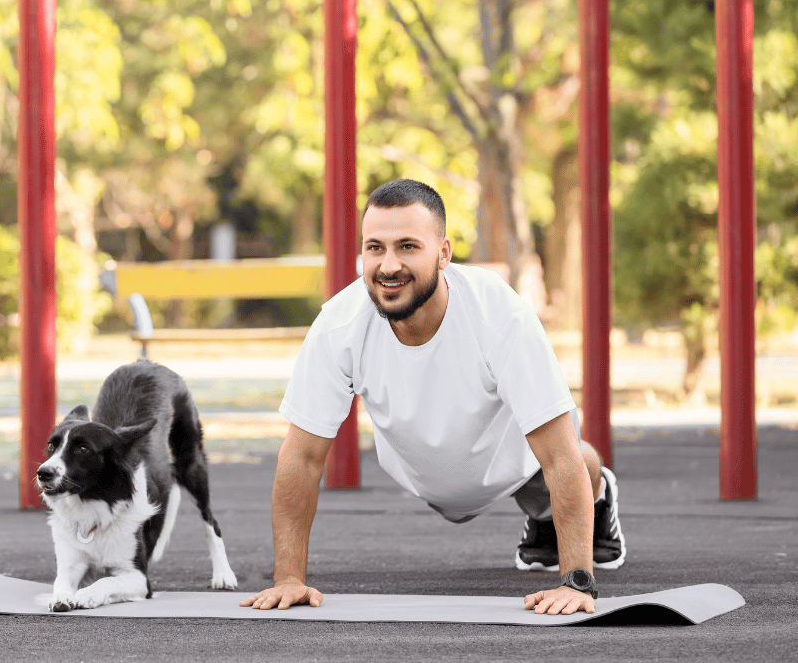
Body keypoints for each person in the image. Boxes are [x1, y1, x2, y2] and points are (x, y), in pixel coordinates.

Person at [240, 179, 625, 617]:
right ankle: (546, 519)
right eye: (375, 248)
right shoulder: (339, 325)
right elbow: (303, 457)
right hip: (419, 470)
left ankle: (568, 511)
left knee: (578, 460)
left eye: (407, 247)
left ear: (443, 253)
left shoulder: (498, 313)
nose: (388, 265)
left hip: (513, 464)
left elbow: (558, 457)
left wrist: (578, 582)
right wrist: (289, 578)